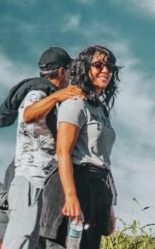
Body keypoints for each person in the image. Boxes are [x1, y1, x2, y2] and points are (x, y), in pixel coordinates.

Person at [1, 47, 83, 249]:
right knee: (21, 238)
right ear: (63, 72)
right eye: (70, 71)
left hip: (43, 182)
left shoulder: (49, 95)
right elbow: (29, 114)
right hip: (31, 178)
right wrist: (58, 96)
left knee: (35, 241)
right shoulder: (38, 92)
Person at [45, 45, 120, 249]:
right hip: (75, 183)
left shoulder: (101, 110)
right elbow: (63, 151)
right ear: (84, 68)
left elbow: (102, 158)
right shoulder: (75, 103)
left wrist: (109, 208)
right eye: (98, 65)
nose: (106, 71)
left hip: (98, 189)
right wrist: (70, 196)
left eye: (110, 67)